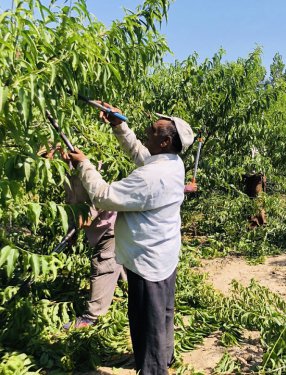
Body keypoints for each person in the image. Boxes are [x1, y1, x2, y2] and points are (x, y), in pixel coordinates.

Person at [68, 104, 194, 374]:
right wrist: (118, 126)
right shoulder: (172, 162)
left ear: (165, 141)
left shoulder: (152, 177)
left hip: (145, 260)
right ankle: (165, 356)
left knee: (146, 323)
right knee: (163, 313)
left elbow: (103, 196)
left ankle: (153, 368)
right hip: (163, 254)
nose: (146, 133)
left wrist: (84, 165)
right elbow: (141, 153)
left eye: (152, 132)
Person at [40, 147, 123, 329]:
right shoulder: (65, 174)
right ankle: (131, 292)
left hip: (111, 224)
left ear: (59, 151)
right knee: (121, 263)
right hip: (99, 228)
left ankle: (91, 318)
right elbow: (74, 204)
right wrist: (73, 229)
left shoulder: (88, 166)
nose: (45, 163)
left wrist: (90, 215)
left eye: (47, 157)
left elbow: (105, 193)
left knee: (103, 265)